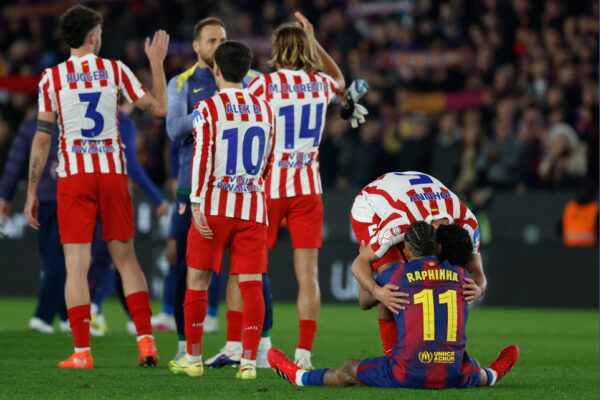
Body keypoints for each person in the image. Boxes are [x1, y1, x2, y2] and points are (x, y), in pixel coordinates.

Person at [24, 5, 169, 368]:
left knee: (76, 265)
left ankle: (82, 352)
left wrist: (31, 192)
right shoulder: (115, 70)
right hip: (112, 174)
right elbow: (159, 109)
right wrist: (156, 63)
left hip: (74, 177)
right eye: (100, 33)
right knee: (126, 260)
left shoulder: (51, 78)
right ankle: (147, 343)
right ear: (93, 37)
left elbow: (42, 139)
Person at [268, 222, 519, 389]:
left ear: (406, 252)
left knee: (350, 368)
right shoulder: (460, 275)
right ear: (438, 248)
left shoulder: (397, 274)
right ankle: (495, 372)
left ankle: (299, 377)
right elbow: (475, 277)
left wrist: (371, 271)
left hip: (408, 374)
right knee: (473, 369)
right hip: (454, 374)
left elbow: (364, 301)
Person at [239, 11, 345, 370]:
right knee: (308, 275)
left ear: (277, 49)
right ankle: (304, 353)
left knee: (251, 270)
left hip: (268, 188)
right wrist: (314, 39)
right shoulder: (320, 85)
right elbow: (340, 80)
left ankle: (252, 346)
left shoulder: (263, 86)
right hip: (307, 189)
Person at [167, 40, 275, 380]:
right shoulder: (266, 109)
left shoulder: (208, 108)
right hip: (252, 207)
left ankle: (193, 358)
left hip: (214, 206)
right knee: (251, 284)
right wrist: (251, 186)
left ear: (216, 69)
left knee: (197, 280)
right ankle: (248, 362)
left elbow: (201, 157)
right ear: (247, 71)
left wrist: (196, 201)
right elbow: (269, 160)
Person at [349, 171, 487, 356]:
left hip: (412, 196)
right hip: (372, 206)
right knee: (393, 277)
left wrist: (478, 289)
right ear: (437, 248)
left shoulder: (468, 223)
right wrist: (377, 291)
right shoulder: (399, 222)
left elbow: (479, 275)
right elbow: (358, 264)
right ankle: (391, 354)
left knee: (410, 279)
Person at [0, 118, 69, 334]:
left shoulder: (32, 125)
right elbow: (16, 161)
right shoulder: (73, 120)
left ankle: (51, 315)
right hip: (63, 199)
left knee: (55, 260)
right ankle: (59, 315)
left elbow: (15, 162)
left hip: (45, 200)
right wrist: (5, 195)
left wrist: (6, 195)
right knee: (55, 260)